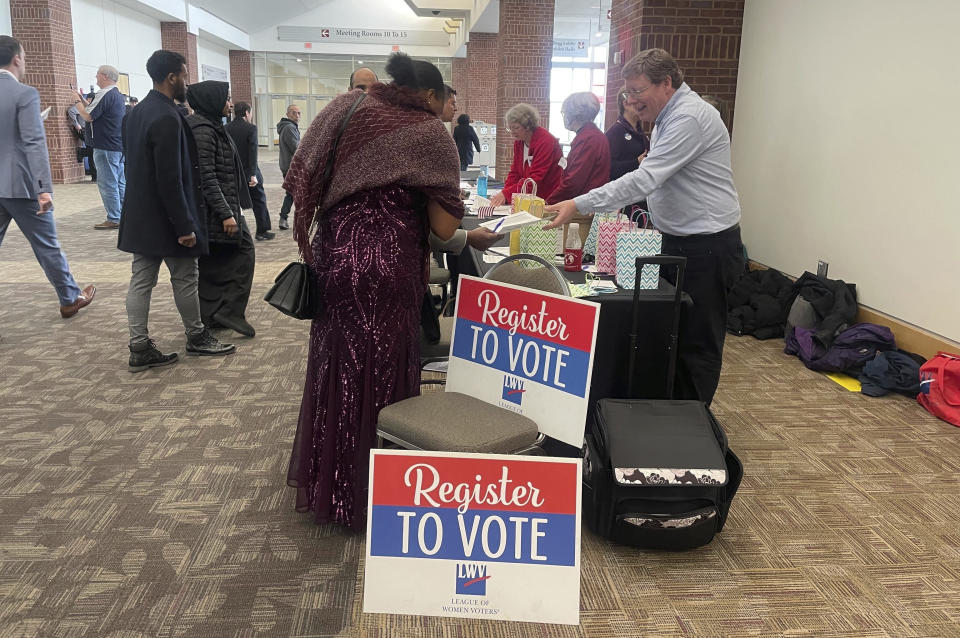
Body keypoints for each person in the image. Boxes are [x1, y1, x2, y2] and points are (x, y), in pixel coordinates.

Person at [284, 52, 464, 530]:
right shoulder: (429, 133)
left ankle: (333, 485)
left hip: (338, 257)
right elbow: (445, 229)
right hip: (389, 267)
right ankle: (372, 496)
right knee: (382, 370)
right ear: (428, 96)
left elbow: (301, 179)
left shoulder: (344, 109)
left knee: (338, 365)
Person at [546, 48, 744, 405]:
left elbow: (645, 179)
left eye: (638, 91)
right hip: (678, 241)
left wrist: (579, 203)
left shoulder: (689, 118)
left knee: (697, 340)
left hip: (707, 246)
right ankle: (668, 416)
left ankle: (691, 426)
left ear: (666, 83)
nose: (632, 102)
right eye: (628, 94)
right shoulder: (669, 117)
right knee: (669, 333)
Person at [120, 50, 235, 372]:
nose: (187, 81)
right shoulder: (168, 117)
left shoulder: (135, 113)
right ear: (172, 77)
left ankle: (139, 346)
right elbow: (171, 177)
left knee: (141, 279)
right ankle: (197, 336)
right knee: (186, 276)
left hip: (140, 213)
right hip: (169, 216)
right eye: (185, 74)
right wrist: (185, 225)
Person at [0, 35, 96, 319]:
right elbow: (33, 142)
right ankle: (69, 298)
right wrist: (44, 187)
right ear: (17, 58)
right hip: (22, 185)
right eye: (26, 57)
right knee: (46, 244)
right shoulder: (24, 94)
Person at [186, 82, 257, 338]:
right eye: (226, 99)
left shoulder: (212, 126)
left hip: (220, 207)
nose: (230, 104)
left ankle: (212, 315)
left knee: (215, 261)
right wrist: (226, 213)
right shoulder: (203, 130)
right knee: (244, 252)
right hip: (217, 210)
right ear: (210, 100)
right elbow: (206, 176)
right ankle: (230, 311)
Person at [72, 65, 126, 230]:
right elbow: (93, 109)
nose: (96, 79)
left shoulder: (104, 93)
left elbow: (88, 116)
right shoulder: (116, 94)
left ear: (104, 76)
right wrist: (82, 100)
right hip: (117, 144)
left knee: (107, 182)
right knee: (119, 181)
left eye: (97, 76)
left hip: (105, 145)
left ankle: (114, 217)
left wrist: (75, 101)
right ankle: (123, 214)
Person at [488, 103, 563, 207]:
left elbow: (535, 179)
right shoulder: (519, 142)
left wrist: (507, 195)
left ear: (528, 126)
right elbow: (515, 173)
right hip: (529, 197)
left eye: (516, 128)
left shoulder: (546, 142)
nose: (512, 132)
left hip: (547, 199)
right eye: (510, 128)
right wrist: (505, 194)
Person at [546, 92, 611, 204]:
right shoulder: (591, 135)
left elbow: (574, 182)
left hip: (584, 206)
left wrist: (548, 203)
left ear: (574, 115)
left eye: (565, 113)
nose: (564, 117)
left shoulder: (588, 138)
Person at [226, 101, 274, 241]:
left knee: (234, 203)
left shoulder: (226, 128)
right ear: (247, 113)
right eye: (250, 113)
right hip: (249, 173)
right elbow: (253, 152)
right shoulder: (251, 128)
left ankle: (236, 232)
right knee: (259, 201)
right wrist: (253, 174)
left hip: (233, 173)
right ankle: (262, 230)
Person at [605, 88, 650, 182]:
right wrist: (636, 162)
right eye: (638, 103)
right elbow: (609, 168)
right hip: (622, 190)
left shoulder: (640, 132)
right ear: (626, 104)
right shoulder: (615, 132)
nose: (642, 106)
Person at [276, 104, 301, 230]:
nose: (297, 116)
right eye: (294, 113)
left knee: (292, 193)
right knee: (294, 193)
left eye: (298, 113)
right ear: (287, 114)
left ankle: (285, 218)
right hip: (291, 166)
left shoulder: (288, 127)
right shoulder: (289, 128)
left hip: (288, 165)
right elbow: (297, 148)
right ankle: (285, 218)